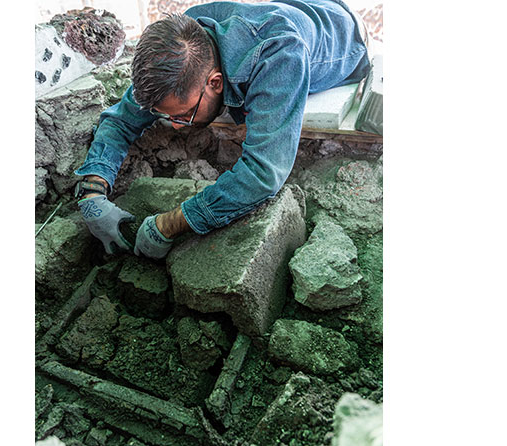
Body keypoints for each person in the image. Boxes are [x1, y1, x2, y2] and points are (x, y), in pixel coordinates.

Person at [74, 0, 371, 259]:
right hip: (291, 5)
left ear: (215, 82)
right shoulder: (184, 45)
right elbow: (120, 119)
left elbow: (264, 173)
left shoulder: (280, 54)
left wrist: (170, 224)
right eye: (169, 117)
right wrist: (92, 192)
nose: (177, 125)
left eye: (185, 114)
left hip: (345, 31)